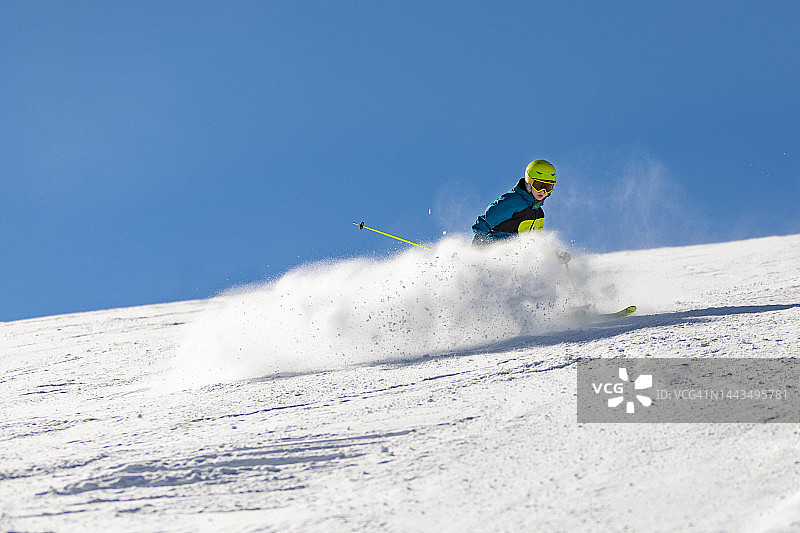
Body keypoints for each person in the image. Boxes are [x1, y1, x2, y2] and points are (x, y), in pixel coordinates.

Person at [472, 159, 570, 262]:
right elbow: (484, 223)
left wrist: (554, 256)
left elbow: (534, 244)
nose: (543, 191)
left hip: (516, 261)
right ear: (529, 182)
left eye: (548, 187)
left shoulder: (539, 214)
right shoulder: (513, 201)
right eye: (539, 186)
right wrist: (477, 252)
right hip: (494, 255)